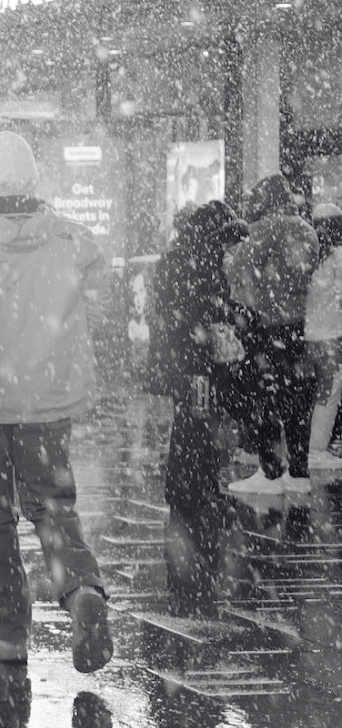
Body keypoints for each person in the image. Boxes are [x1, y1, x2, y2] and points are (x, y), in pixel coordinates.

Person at [0, 132, 113, 673]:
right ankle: (81, 592)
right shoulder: (73, 239)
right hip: (49, 403)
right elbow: (99, 306)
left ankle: (8, 632)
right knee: (53, 507)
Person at [146, 200, 247, 610]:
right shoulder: (196, 261)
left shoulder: (181, 255)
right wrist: (217, 322)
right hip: (194, 364)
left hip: (182, 362)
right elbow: (194, 313)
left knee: (192, 422)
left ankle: (194, 485)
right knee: (194, 422)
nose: (225, 248)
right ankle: (191, 488)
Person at [225, 178, 318, 494]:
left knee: (265, 394)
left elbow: (239, 269)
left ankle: (270, 472)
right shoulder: (306, 229)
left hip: (268, 324)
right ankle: (300, 472)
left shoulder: (264, 228)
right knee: (297, 398)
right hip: (300, 324)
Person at [303, 203, 342, 472]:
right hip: (332, 335)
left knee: (317, 392)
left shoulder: (308, 255)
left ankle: (312, 446)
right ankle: (317, 449)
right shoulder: (338, 257)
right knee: (329, 393)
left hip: (310, 336)